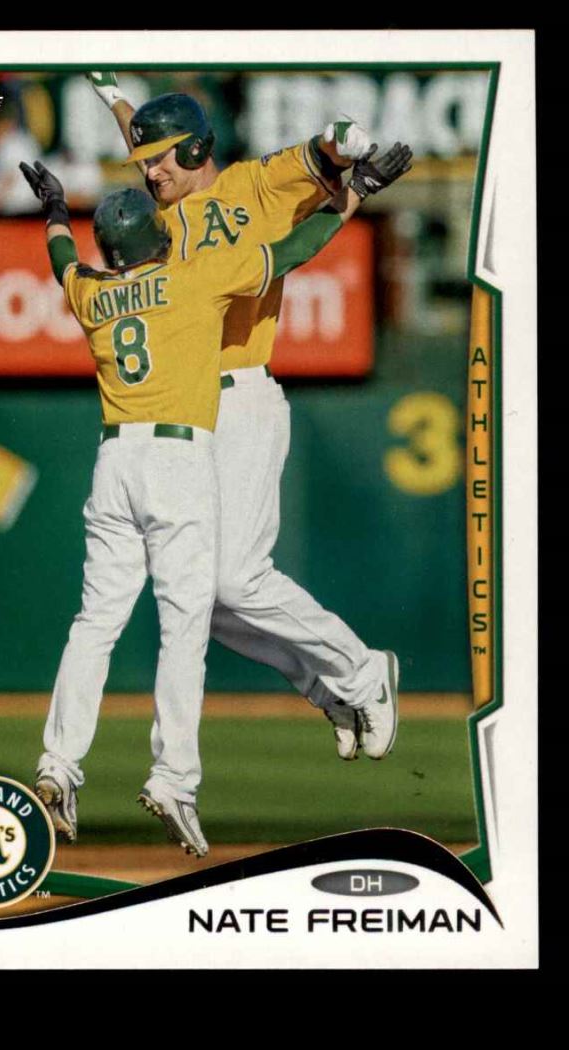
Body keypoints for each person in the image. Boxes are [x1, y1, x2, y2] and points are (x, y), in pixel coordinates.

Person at [20, 140, 411, 855]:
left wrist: (52, 210)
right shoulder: (192, 277)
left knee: (96, 622)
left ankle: (58, 766)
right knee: (187, 626)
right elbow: (293, 250)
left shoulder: (91, 293)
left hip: (114, 461)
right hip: (177, 458)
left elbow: (61, 261)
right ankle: (175, 777)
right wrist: (357, 190)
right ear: (159, 239)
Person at [87, 73, 400, 763]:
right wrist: (112, 96)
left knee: (234, 580)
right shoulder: (160, 212)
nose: (150, 172)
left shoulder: (256, 186)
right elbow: (144, 135)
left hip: (241, 394)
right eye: (144, 162)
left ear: (197, 150)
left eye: (162, 159)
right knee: (199, 596)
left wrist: (348, 152)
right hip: (189, 408)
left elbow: (324, 149)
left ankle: (363, 670)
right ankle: (329, 687)